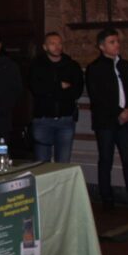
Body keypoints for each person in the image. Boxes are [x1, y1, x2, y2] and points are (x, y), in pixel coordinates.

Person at [85, 28, 128, 211]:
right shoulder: (95, 68)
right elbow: (98, 96)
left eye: (117, 41)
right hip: (106, 122)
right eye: (112, 42)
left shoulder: (125, 65)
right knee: (106, 161)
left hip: (126, 120)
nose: (117, 45)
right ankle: (107, 201)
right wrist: (118, 112)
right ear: (102, 46)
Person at [29, 31, 84, 163]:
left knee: (63, 162)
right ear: (45, 47)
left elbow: (76, 91)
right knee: (42, 163)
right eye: (52, 44)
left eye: (59, 43)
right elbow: (37, 89)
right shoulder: (37, 66)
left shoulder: (72, 66)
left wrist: (51, 89)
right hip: (43, 120)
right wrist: (59, 86)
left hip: (65, 120)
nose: (57, 46)